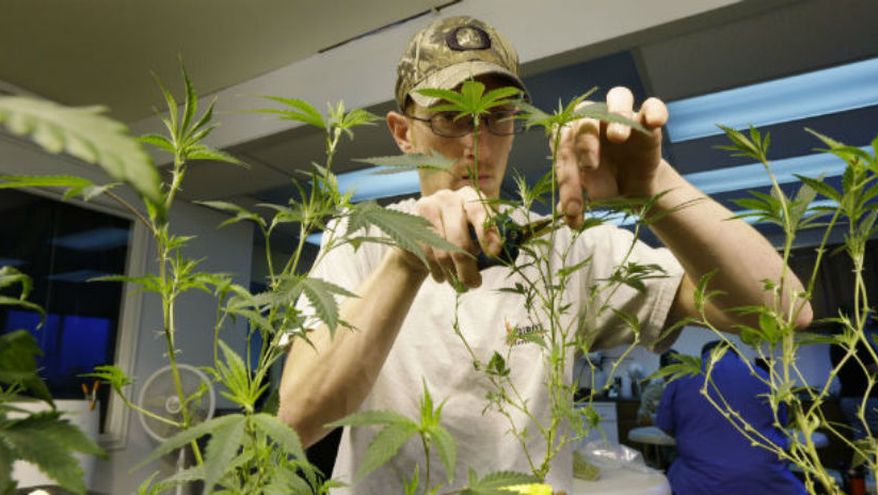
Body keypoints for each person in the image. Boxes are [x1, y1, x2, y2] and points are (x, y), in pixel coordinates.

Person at [277, 15, 811, 493]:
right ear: (402, 132)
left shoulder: (566, 245)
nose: (476, 144)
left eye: (497, 117)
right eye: (451, 117)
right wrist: (405, 262)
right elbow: (297, 420)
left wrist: (655, 189)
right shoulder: (363, 236)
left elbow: (784, 310)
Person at [656, 341, 806, 495]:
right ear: (737, 355)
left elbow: (665, 425)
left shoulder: (681, 378)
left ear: (703, 356)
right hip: (767, 481)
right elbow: (781, 424)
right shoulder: (762, 375)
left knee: (676, 471)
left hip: (698, 483)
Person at [829, 308, 878, 441]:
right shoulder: (857, 343)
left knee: (862, 441)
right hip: (866, 400)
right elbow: (874, 369)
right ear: (852, 318)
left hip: (847, 399)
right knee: (875, 441)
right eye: (865, 317)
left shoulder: (836, 343)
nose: (868, 321)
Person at [637, 349, 679, 425]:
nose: (674, 374)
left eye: (677, 369)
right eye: (670, 370)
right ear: (661, 369)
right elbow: (642, 419)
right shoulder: (653, 392)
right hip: (660, 430)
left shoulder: (688, 388)